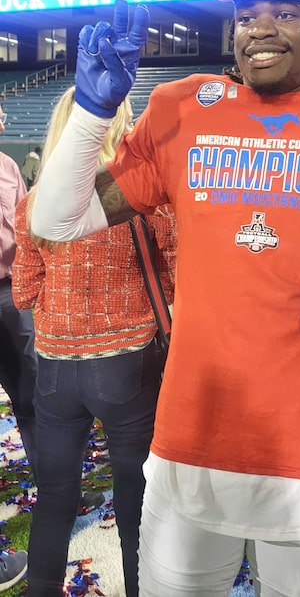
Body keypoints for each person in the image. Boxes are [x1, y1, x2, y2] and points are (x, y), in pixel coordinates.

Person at [30, 0, 300, 597]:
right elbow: (55, 222)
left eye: (286, 11)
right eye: (246, 15)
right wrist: (92, 114)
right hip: (190, 439)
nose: (261, 28)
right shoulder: (183, 107)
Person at [12, 87, 177, 597]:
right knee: (136, 493)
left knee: (57, 493)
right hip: (129, 363)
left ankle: (40, 588)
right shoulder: (143, 197)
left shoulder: (35, 201)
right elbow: (173, 279)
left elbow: (23, 290)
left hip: (56, 367)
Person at [0, 104, 35, 591]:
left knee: (33, 396)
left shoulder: (7, 166)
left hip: (12, 295)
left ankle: (55, 486)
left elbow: (25, 228)